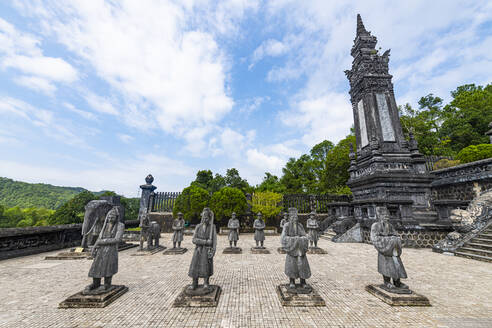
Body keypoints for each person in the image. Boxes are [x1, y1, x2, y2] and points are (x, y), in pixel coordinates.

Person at [84, 207, 124, 294]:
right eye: (109, 216)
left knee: (108, 267)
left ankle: (107, 284)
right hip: (101, 250)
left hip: (111, 250)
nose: (110, 218)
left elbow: (117, 239)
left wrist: (103, 241)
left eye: (112, 217)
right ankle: (95, 283)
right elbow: (99, 238)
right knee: (96, 267)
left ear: (116, 217)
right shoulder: (105, 225)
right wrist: (94, 247)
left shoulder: (120, 225)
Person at [370, 206, 409, 292]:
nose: (386, 216)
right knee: (386, 265)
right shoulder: (375, 226)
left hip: (392, 249)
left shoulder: (390, 226)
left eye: (387, 214)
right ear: (379, 216)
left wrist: (395, 239)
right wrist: (387, 241)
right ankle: (387, 281)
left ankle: (397, 281)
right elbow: (374, 238)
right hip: (384, 249)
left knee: (397, 264)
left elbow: (395, 234)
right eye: (383, 214)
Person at [281, 208, 311, 289]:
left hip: (300, 250)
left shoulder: (300, 225)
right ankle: (292, 281)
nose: (295, 218)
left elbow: (304, 236)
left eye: (296, 216)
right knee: (292, 265)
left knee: (303, 265)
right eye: (293, 217)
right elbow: (283, 238)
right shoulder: (286, 225)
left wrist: (301, 239)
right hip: (292, 249)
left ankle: (303, 281)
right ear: (290, 217)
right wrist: (295, 239)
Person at [188, 207, 217, 290]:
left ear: (209, 218)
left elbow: (214, 241)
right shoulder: (198, 227)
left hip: (207, 250)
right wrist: (205, 242)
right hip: (198, 250)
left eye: (207, 218)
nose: (205, 219)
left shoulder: (212, 227)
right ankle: (194, 282)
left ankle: (206, 283)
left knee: (206, 266)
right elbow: (194, 239)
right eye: (203, 218)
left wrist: (213, 250)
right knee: (195, 265)